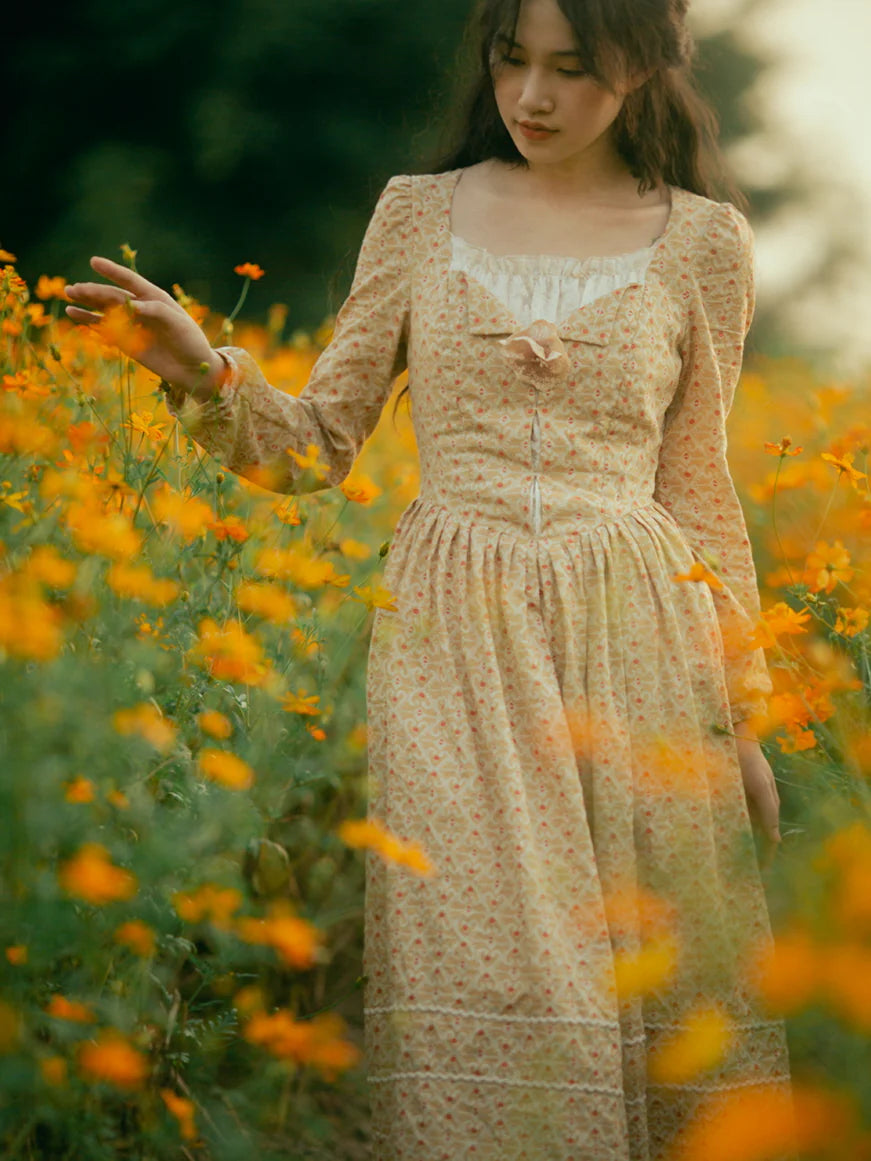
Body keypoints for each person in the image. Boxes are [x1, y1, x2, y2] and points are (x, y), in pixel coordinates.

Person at [65, 0, 795, 1156]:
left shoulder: (705, 240)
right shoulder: (417, 213)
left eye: (571, 70)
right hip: (455, 635)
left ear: (644, 70)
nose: (532, 98)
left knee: (656, 988)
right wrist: (203, 372)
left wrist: (742, 719)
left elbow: (698, 488)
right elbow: (314, 446)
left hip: (641, 639)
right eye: (513, 63)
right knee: (506, 980)